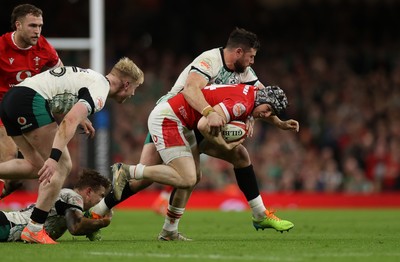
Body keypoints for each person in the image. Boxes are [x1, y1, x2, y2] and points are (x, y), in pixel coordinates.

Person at [89, 27, 298, 241]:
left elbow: (263, 99)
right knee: (155, 178)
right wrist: (210, 113)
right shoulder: (210, 60)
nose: (252, 62)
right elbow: (190, 91)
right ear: (238, 52)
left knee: (231, 159)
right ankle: (100, 208)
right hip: (174, 115)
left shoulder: (245, 72)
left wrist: (278, 122)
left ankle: (258, 213)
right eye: (251, 57)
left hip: (194, 122)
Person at [0, 57, 144, 244]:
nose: (132, 94)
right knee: (62, 165)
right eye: (135, 88)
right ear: (126, 84)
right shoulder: (100, 90)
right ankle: (34, 228)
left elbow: (62, 90)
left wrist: (80, 116)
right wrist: (54, 158)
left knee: (35, 166)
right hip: (29, 100)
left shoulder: (93, 77)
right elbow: (68, 122)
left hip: (11, 99)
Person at [0, 4, 63, 199]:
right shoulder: (1, 47)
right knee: (8, 158)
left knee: (22, 175)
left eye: (40, 26)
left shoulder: (44, 48)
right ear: (18, 25)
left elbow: (61, 78)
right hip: (2, 110)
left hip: (24, 111)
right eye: (32, 26)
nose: (37, 31)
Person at [0, 168, 111, 242]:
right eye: (101, 196)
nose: (101, 201)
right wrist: (102, 222)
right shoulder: (72, 196)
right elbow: (76, 227)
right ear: (89, 192)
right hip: (6, 225)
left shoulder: (67, 198)